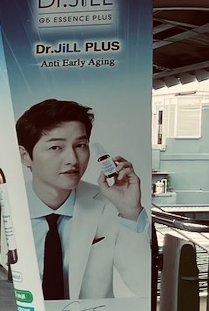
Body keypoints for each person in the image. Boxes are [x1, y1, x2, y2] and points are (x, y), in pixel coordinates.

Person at [15, 98, 149, 300]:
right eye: (56, 148)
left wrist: (131, 212)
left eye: (80, 145)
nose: (73, 159)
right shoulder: (8, 206)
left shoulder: (110, 204)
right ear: (25, 156)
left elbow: (143, 285)